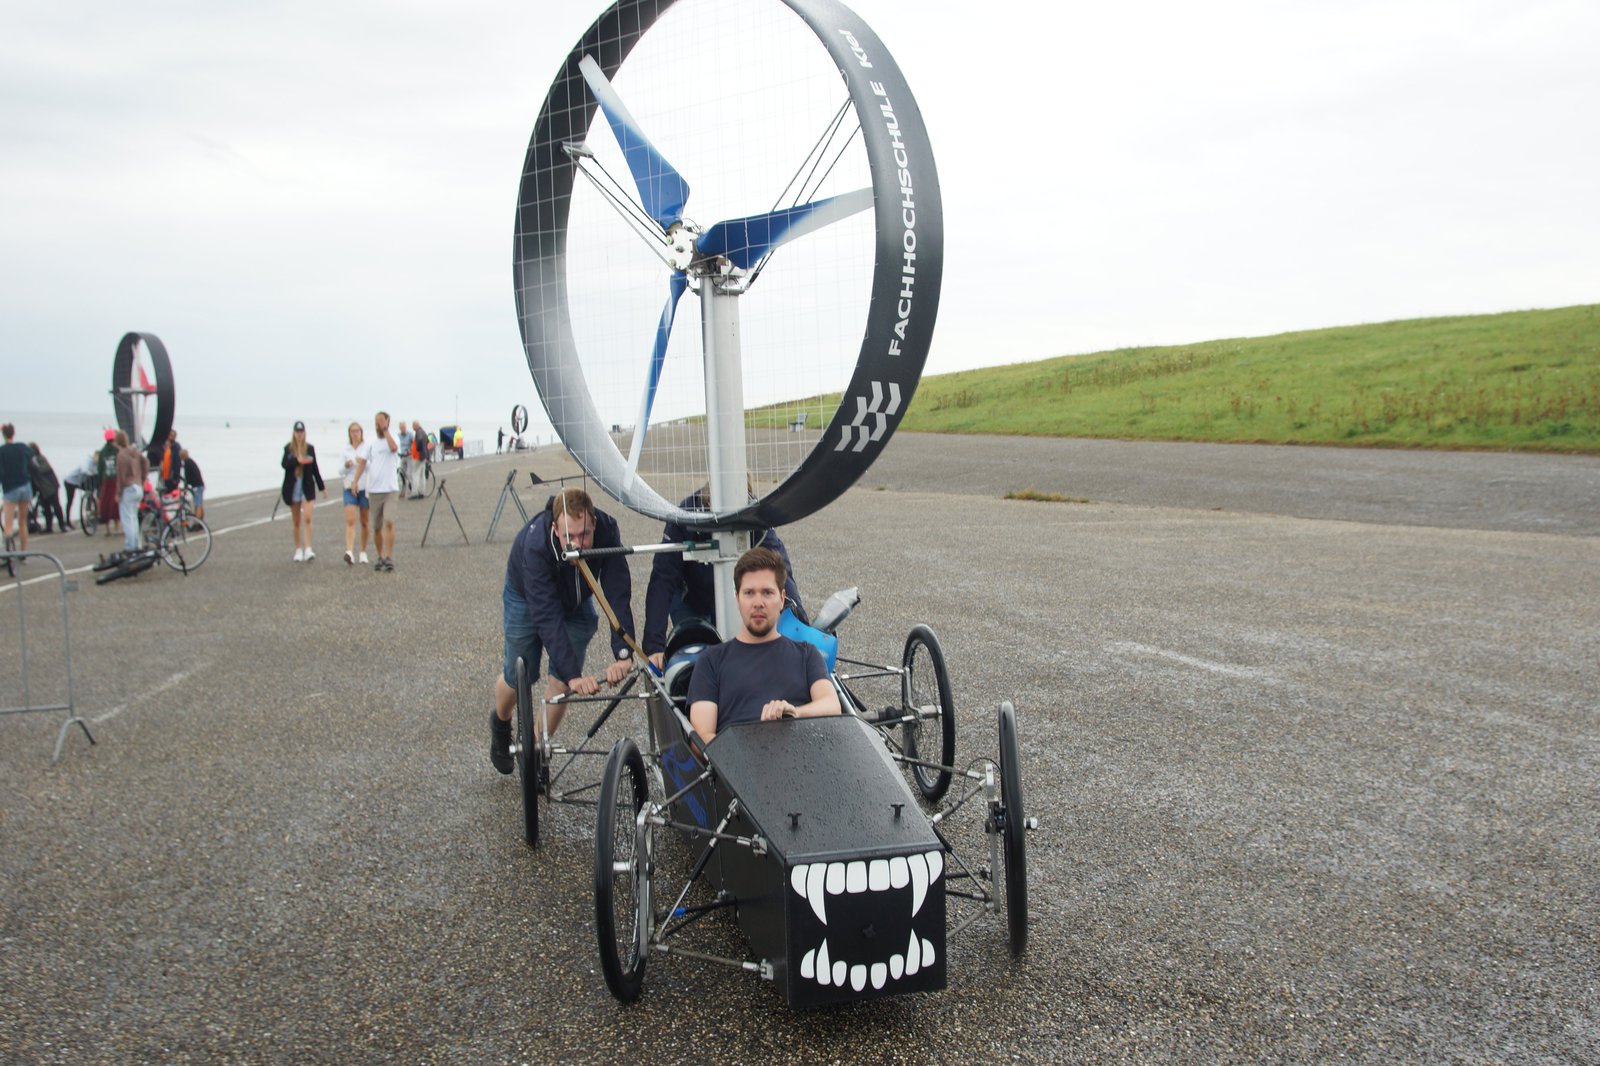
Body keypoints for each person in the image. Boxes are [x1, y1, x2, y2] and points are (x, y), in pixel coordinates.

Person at [489, 486, 636, 774]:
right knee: (520, 672)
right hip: (527, 597)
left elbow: (617, 589)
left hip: (577, 598)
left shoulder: (607, 529)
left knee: (561, 683)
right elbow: (546, 615)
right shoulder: (535, 545)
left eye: (584, 535)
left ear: (594, 521)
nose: (577, 545)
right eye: (569, 536)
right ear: (555, 527)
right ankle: (500, 720)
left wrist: (623, 651)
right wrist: (575, 675)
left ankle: (535, 751)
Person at [686, 546, 840, 746]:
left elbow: (832, 705)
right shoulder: (711, 661)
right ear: (737, 599)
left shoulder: (806, 654)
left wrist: (794, 713)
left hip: (802, 763)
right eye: (749, 593)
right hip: (737, 770)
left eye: (767, 593)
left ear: (782, 598)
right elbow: (702, 738)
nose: (758, 602)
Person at [642, 485, 803, 671]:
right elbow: (663, 578)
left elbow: (782, 572)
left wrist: (801, 627)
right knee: (698, 656)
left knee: (743, 654)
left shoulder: (757, 516)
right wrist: (654, 646)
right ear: (707, 504)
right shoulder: (684, 516)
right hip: (691, 596)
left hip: (733, 594)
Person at [350, 411, 400, 571]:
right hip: (374, 490)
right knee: (377, 526)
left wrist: (385, 430)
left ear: (387, 423)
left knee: (389, 521)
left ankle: (389, 556)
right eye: (377, 423)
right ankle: (380, 556)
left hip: (390, 489)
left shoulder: (393, 439)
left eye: (381, 422)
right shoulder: (371, 444)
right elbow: (363, 463)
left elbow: (393, 448)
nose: (378, 426)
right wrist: (355, 481)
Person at [280, 420, 326, 562]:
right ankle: (298, 549)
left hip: (307, 487)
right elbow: (284, 464)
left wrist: (322, 487)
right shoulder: (288, 448)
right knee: (296, 520)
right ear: (294, 433)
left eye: (301, 431)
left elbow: (315, 469)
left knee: (307, 517)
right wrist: (297, 460)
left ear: (304, 433)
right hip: (293, 486)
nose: (299, 434)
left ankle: (308, 548)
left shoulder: (310, 448)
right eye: (297, 431)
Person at [337, 421, 371, 566]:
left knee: (364, 521)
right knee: (350, 520)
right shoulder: (346, 450)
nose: (355, 433)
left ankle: (363, 551)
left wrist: (363, 462)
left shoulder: (367, 447)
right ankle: (349, 551)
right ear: (349, 433)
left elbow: (372, 466)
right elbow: (340, 471)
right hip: (349, 486)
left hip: (364, 487)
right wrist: (346, 466)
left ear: (361, 432)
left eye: (357, 431)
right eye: (352, 431)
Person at [0, 424, 35, 552]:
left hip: (10, 488)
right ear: (13, 433)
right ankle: (24, 553)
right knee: (22, 522)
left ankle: (7, 555)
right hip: (25, 486)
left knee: (8, 525)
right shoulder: (22, 447)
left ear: (3, 435)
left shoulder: (2, 451)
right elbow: (32, 454)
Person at [114, 430, 148, 554]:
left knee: (127, 518)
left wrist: (118, 493)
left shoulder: (121, 455)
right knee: (134, 517)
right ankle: (136, 544)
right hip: (138, 487)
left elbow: (121, 476)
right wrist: (142, 478)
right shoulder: (135, 451)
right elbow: (146, 462)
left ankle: (130, 546)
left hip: (129, 488)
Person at [29, 444, 66, 534]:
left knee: (56, 506)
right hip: (42, 488)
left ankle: (62, 525)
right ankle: (49, 527)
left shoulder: (40, 458)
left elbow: (44, 469)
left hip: (50, 486)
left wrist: (34, 468)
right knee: (46, 507)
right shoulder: (32, 460)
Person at [95, 429, 120, 536]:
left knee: (105, 504)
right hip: (116, 480)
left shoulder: (102, 452)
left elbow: (100, 469)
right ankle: (117, 527)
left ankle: (107, 529)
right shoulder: (117, 450)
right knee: (115, 504)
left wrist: (99, 483)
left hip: (106, 480)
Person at [179, 449, 205, 520]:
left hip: (197, 486)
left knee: (198, 504)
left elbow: (187, 478)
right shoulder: (190, 461)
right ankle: (200, 519)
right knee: (199, 503)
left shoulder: (187, 463)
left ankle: (197, 522)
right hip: (199, 485)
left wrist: (185, 488)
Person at [405, 420, 428, 498]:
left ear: (416, 426)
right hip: (423, 456)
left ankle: (415, 493)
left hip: (418, 456)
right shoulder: (423, 432)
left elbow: (420, 441)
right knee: (422, 475)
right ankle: (422, 492)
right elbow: (427, 441)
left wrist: (417, 449)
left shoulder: (419, 433)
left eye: (413, 426)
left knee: (415, 474)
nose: (412, 427)